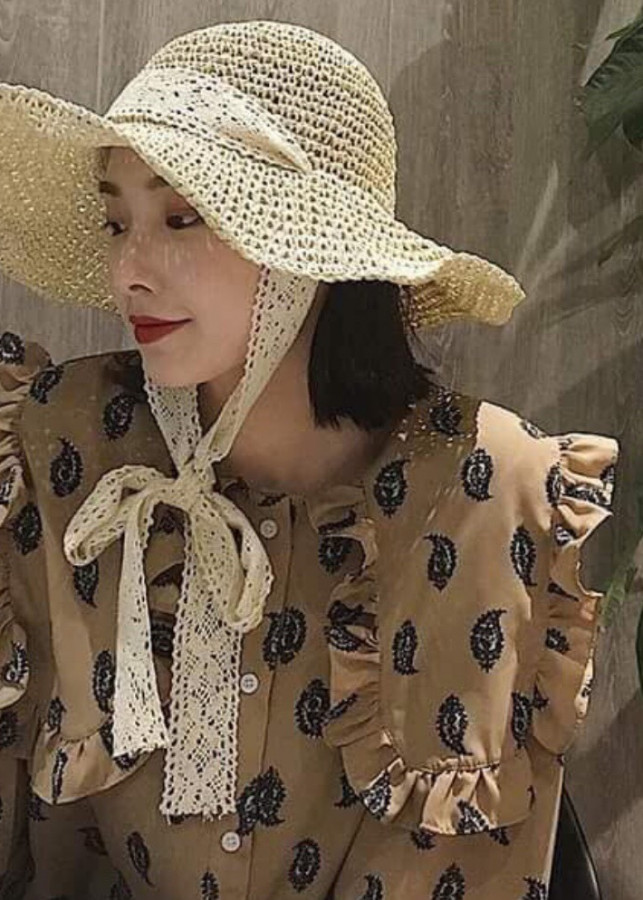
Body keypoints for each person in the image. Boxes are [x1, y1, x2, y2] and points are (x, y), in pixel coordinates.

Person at [0, 19, 619, 900]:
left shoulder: (489, 489)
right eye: (115, 220)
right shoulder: (63, 440)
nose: (128, 269)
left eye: (182, 216)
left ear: (312, 252)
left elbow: (476, 856)